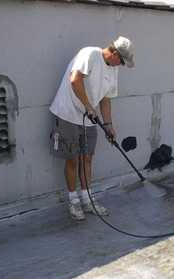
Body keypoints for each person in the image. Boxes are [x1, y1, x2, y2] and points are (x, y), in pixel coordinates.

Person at [49, 36, 135, 220]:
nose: (121, 65)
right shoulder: (89, 54)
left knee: (86, 159)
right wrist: (89, 107)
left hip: (88, 118)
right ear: (114, 54)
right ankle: (74, 201)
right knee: (72, 160)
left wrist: (108, 125)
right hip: (68, 114)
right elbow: (75, 80)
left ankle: (87, 199)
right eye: (122, 61)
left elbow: (105, 99)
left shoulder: (113, 71)